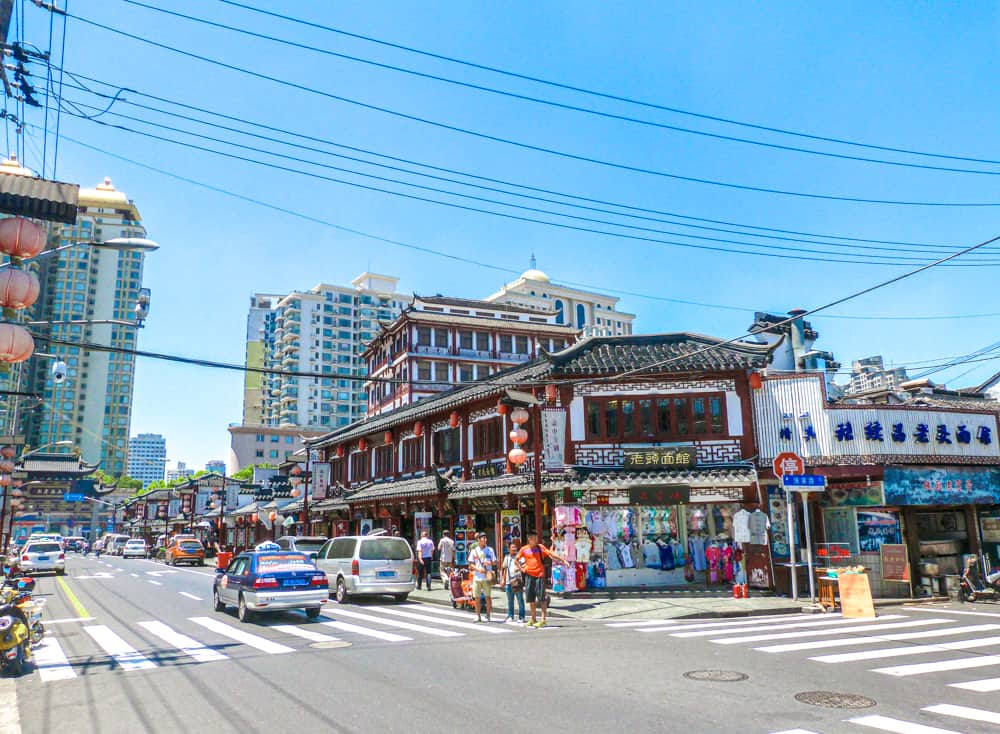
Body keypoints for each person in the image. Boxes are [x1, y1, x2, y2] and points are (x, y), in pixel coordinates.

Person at [516, 532, 568, 628]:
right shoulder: (524, 549)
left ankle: (543, 620)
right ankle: (533, 619)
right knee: (531, 598)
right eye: (534, 538)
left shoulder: (540, 547)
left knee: (542, 598)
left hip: (539, 575)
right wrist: (521, 569)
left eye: (536, 538)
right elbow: (516, 559)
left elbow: (551, 553)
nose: (536, 540)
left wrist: (563, 560)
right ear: (529, 539)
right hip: (529, 576)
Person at [467, 532, 496, 623]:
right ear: (478, 540)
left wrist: (489, 563)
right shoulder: (474, 551)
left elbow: (495, 562)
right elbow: (470, 564)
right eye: (482, 538)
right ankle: (478, 616)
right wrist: (478, 569)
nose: (485, 540)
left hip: (487, 576)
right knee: (477, 597)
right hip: (477, 577)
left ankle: (488, 615)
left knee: (488, 597)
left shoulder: (490, 550)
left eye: (485, 538)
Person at [499, 541, 525, 624]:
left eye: (515, 547)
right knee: (510, 600)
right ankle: (510, 615)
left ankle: (522, 616)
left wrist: (519, 568)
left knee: (520, 599)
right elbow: (505, 569)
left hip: (517, 580)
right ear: (509, 549)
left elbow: (525, 565)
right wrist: (503, 579)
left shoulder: (520, 557)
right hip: (508, 581)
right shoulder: (506, 557)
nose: (514, 549)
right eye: (512, 547)